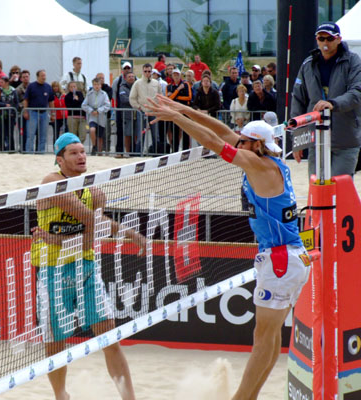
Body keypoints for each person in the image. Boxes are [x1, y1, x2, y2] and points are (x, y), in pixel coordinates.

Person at [146, 95, 309, 400]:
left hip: (281, 260)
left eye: (244, 141)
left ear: (256, 145)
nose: (239, 143)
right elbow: (221, 130)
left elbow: (215, 143)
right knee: (269, 338)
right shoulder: (265, 157)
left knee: (263, 338)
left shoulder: (257, 165)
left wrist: (177, 119)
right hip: (287, 257)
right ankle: (251, 396)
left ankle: (240, 398)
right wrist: (183, 109)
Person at [30, 132, 144, 400]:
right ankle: (61, 396)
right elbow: (91, 221)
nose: (81, 156)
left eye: (83, 151)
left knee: (109, 338)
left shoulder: (94, 190)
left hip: (85, 267)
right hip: (52, 271)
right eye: (73, 152)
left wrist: (130, 233)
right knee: (56, 344)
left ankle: (129, 398)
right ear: (60, 160)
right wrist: (90, 229)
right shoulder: (52, 182)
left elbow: (97, 227)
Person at [291, 21, 361, 178]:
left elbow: (357, 92)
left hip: (345, 139)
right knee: (317, 190)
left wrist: (333, 104)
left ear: (338, 39)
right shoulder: (308, 65)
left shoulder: (353, 61)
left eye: (329, 38)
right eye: (321, 38)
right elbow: (298, 100)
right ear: (316, 40)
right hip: (317, 139)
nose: (325, 42)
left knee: (340, 188)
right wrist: (297, 140)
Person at [130, 63, 164, 154]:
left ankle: (156, 154)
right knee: (141, 134)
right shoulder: (137, 83)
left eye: (149, 71)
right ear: (142, 71)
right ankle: (138, 155)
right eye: (145, 71)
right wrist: (139, 107)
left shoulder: (156, 83)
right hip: (142, 112)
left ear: (151, 72)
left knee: (155, 135)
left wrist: (158, 107)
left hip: (153, 112)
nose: (147, 73)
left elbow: (161, 97)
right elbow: (132, 98)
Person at [22, 69, 54, 153]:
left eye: (45, 75)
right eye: (42, 75)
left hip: (44, 113)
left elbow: (51, 101)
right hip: (33, 113)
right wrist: (25, 111)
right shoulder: (31, 86)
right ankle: (29, 152)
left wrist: (53, 113)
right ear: (38, 76)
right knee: (31, 135)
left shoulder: (48, 87)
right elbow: (26, 100)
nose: (44, 77)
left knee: (43, 135)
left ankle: (41, 152)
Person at [82, 77, 110, 155]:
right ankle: (94, 145)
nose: (96, 86)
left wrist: (99, 110)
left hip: (101, 116)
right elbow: (84, 105)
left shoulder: (104, 94)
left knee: (100, 136)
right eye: (95, 84)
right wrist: (91, 110)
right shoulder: (89, 94)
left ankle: (99, 151)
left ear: (100, 85)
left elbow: (107, 105)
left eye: (98, 84)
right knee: (92, 130)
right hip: (92, 116)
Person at [111, 61, 133, 154]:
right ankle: (119, 151)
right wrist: (115, 110)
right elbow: (114, 96)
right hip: (120, 109)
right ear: (122, 70)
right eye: (125, 68)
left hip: (133, 110)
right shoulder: (117, 80)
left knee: (132, 132)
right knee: (120, 131)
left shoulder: (135, 79)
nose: (127, 70)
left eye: (128, 68)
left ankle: (132, 151)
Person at [0, 76, 19, 151]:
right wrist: (4, 105)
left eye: (2, 82)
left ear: (7, 82)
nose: (0, 84)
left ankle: (11, 149)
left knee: (10, 133)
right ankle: (2, 149)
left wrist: (14, 111)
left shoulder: (13, 90)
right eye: (0, 82)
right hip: (1, 115)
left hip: (11, 115)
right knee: (2, 132)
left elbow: (16, 102)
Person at [118, 71, 139, 156]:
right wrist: (134, 100)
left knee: (137, 134)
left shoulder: (138, 86)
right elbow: (123, 99)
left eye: (132, 76)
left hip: (137, 114)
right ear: (125, 78)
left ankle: (136, 152)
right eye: (129, 76)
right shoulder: (122, 87)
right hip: (127, 114)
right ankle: (127, 152)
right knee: (128, 134)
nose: (131, 78)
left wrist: (133, 100)